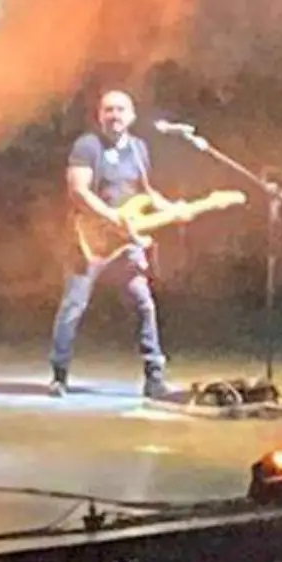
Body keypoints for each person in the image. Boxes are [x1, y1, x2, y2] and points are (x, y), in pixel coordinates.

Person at [48, 90, 170, 399]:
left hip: (125, 241)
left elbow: (144, 191)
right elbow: (78, 191)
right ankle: (59, 375)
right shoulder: (88, 146)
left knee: (143, 303)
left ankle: (154, 376)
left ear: (131, 116)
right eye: (108, 110)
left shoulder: (139, 149)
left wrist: (171, 208)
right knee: (74, 306)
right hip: (87, 240)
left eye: (121, 109)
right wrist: (113, 218)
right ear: (100, 116)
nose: (115, 115)